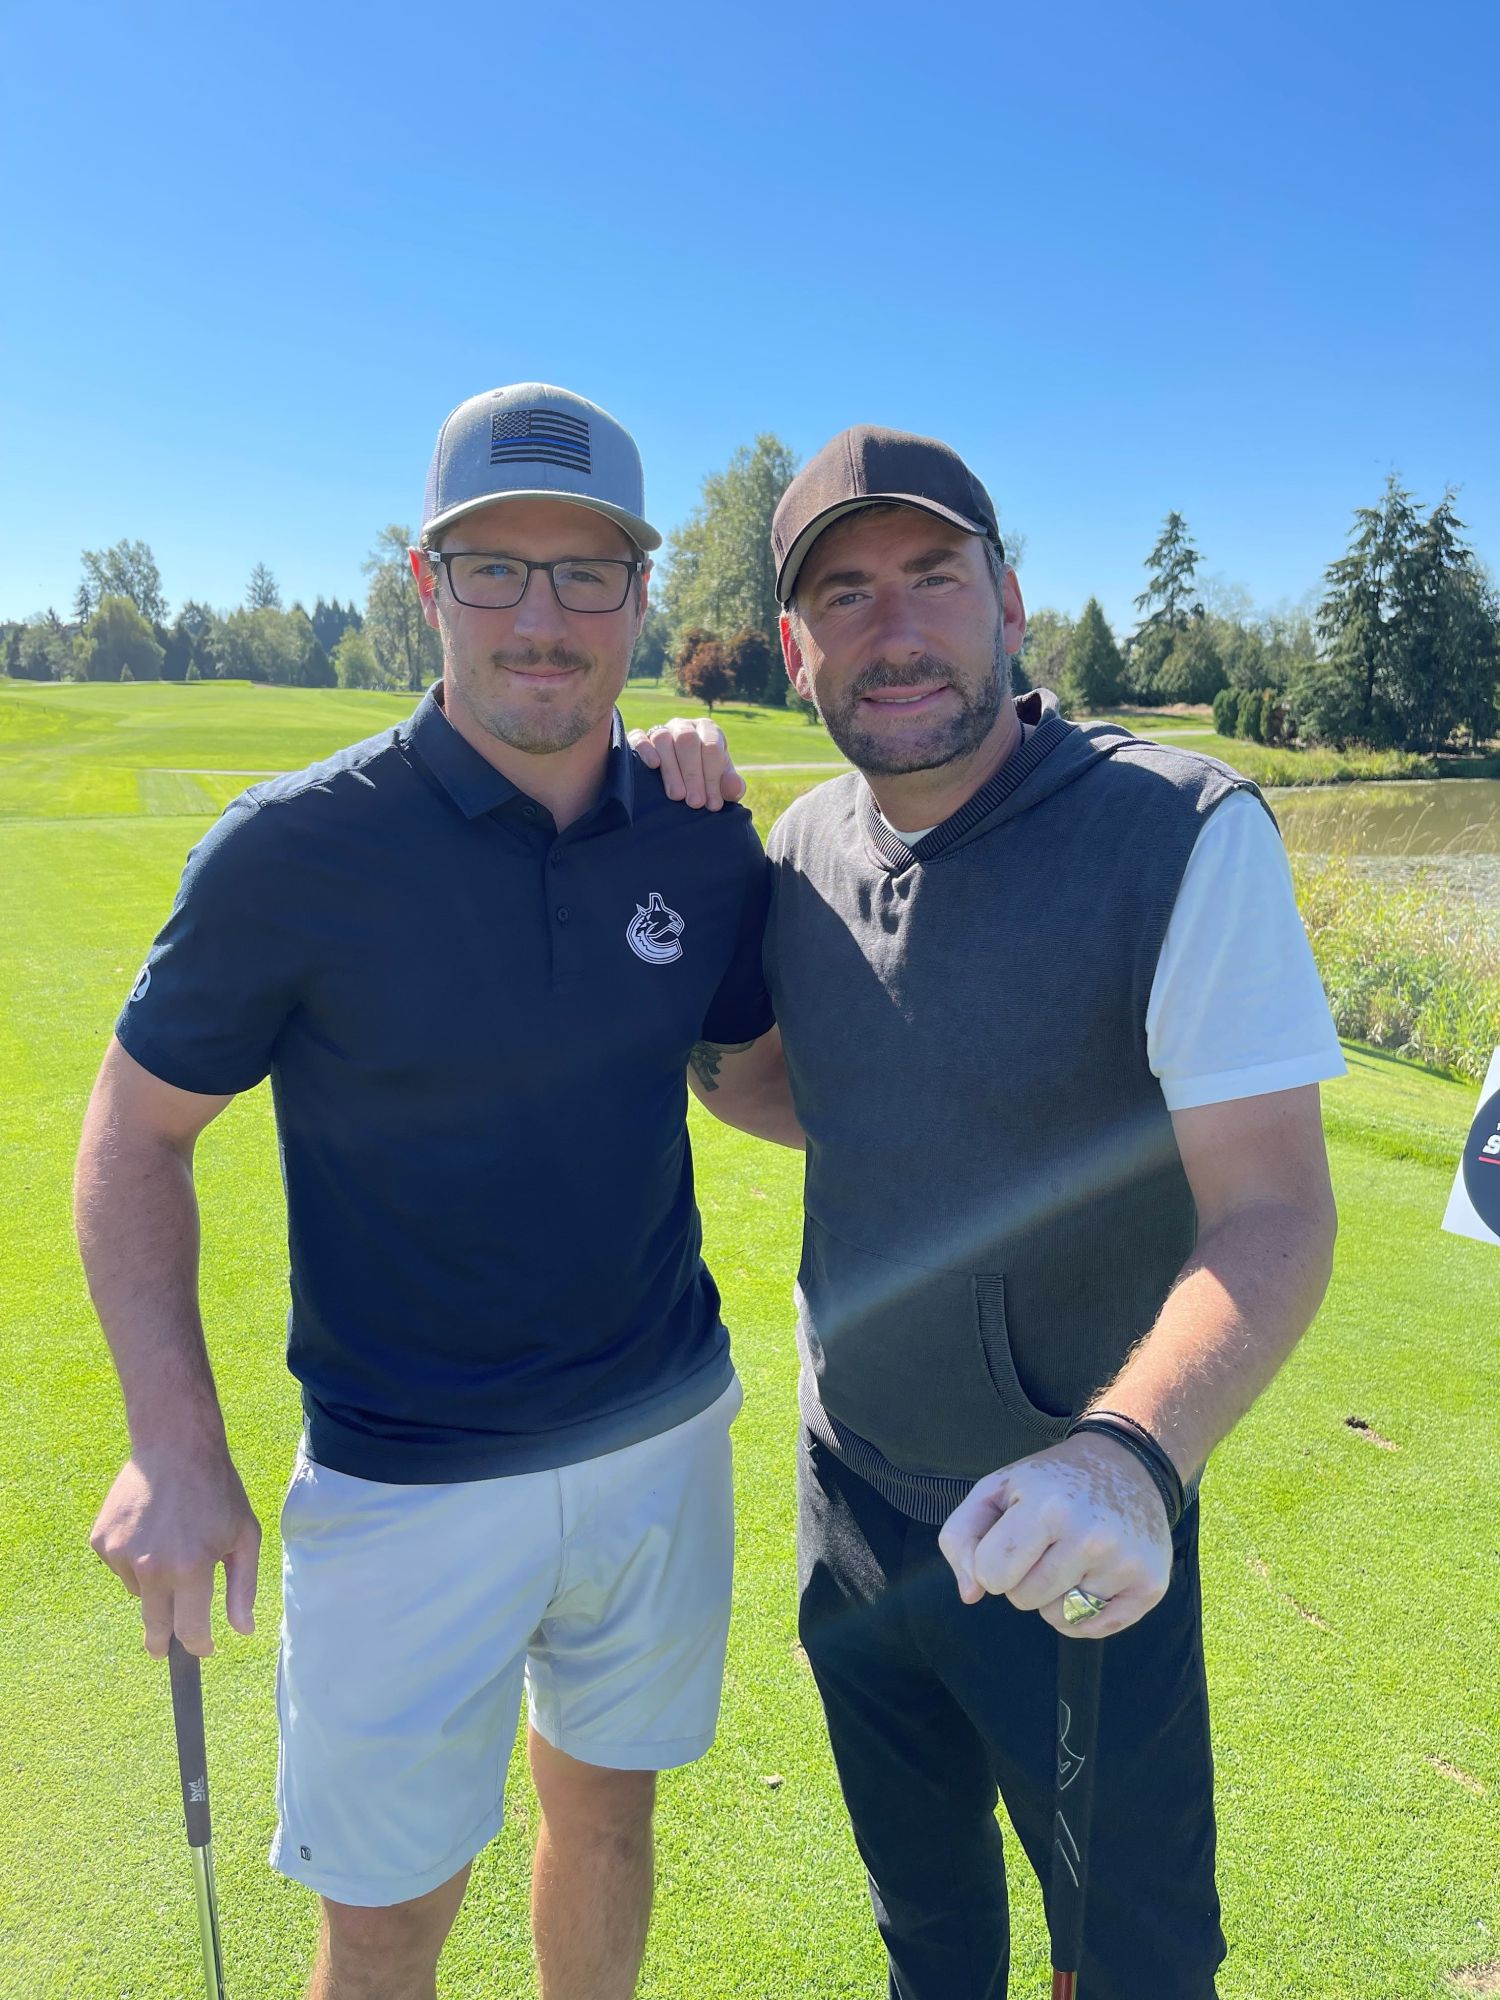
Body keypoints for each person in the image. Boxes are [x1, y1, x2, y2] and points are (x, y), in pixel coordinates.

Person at [77, 382, 789, 2000]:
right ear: (427, 586)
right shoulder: (291, 856)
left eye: (586, 571)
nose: (543, 617)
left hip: (658, 1439)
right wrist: (175, 1444)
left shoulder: (699, 841)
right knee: (388, 1923)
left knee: (608, 1824)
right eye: (497, 570)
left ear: (641, 595)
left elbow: (755, 1085)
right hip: (407, 1485)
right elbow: (134, 1134)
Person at [634, 424, 1344, 1999]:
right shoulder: (806, 845)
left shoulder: (1176, 831)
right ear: (797, 647)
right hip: (852, 1510)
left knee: (1133, 1960)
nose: (894, 630)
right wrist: (678, 863)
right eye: (845, 595)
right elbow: (795, 1096)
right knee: (927, 1934)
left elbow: (1278, 1208)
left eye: (932, 578)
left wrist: (1127, 1457)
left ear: (1010, 598)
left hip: (1077, 1528)